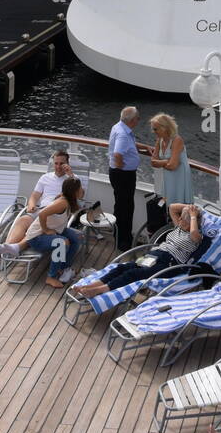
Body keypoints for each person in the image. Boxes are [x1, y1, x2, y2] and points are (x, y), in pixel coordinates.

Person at [72, 203, 208, 297]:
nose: (179, 219)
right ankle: (91, 286)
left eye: (183, 219)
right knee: (121, 268)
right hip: (155, 255)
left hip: (169, 264)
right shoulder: (179, 226)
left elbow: (194, 232)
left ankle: (99, 290)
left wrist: (193, 216)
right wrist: (191, 209)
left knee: (133, 274)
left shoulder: (195, 236)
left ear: (191, 222)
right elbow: (172, 207)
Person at [0, 177, 84, 288]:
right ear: (74, 191)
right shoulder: (62, 203)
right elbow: (42, 214)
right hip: (37, 237)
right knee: (62, 243)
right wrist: (46, 230)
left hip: (56, 229)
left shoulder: (69, 200)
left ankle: (63, 268)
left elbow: (81, 193)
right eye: (80, 188)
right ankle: (51, 277)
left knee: (75, 238)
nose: (82, 189)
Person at [3, 149, 72, 244]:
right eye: (56, 163)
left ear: (67, 164)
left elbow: (80, 195)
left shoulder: (72, 179)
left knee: (36, 227)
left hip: (57, 214)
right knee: (22, 220)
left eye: (62, 163)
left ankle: (15, 247)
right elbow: (35, 195)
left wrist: (71, 175)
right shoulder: (45, 178)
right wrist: (31, 205)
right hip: (41, 210)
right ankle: (8, 247)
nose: (58, 166)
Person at [108, 106, 140, 250]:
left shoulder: (119, 126)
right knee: (125, 208)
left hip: (118, 174)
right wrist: (122, 168)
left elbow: (128, 147)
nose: (139, 121)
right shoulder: (123, 134)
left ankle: (119, 235)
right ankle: (123, 241)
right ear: (132, 120)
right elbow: (117, 154)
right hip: (123, 175)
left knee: (121, 206)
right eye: (138, 118)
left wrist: (143, 148)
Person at [149, 113, 193, 208]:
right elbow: (152, 162)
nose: (153, 131)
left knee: (180, 206)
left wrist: (163, 162)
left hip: (179, 178)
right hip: (168, 178)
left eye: (155, 129)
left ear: (164, 128)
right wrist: (166, 161)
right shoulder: (159, 140)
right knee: (168, 204)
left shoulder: (177, 140)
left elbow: (173, 166)